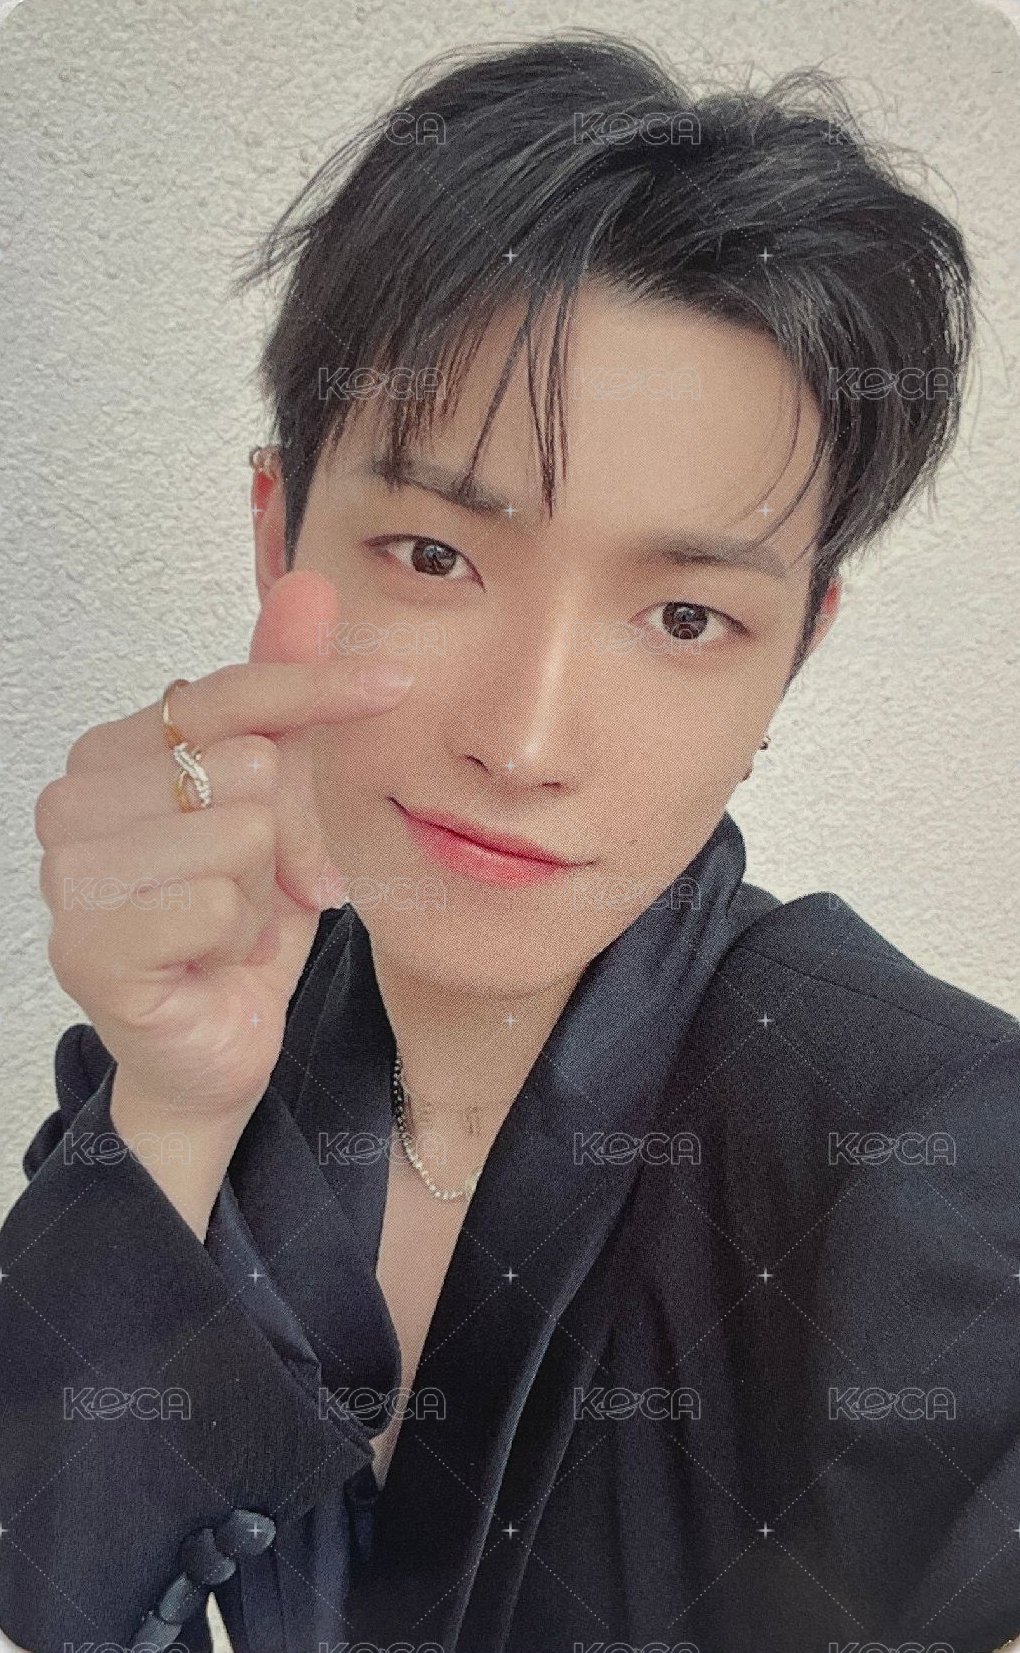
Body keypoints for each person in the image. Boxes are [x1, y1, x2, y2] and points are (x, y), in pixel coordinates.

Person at [2, 29, 1018, 1653]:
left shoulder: (931, 1155)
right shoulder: (231, 1035)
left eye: (683, 617)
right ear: (279, 535)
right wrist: (173, 1111)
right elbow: (46, 1570)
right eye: (434, 555)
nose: (526, 741)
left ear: (792, 655)